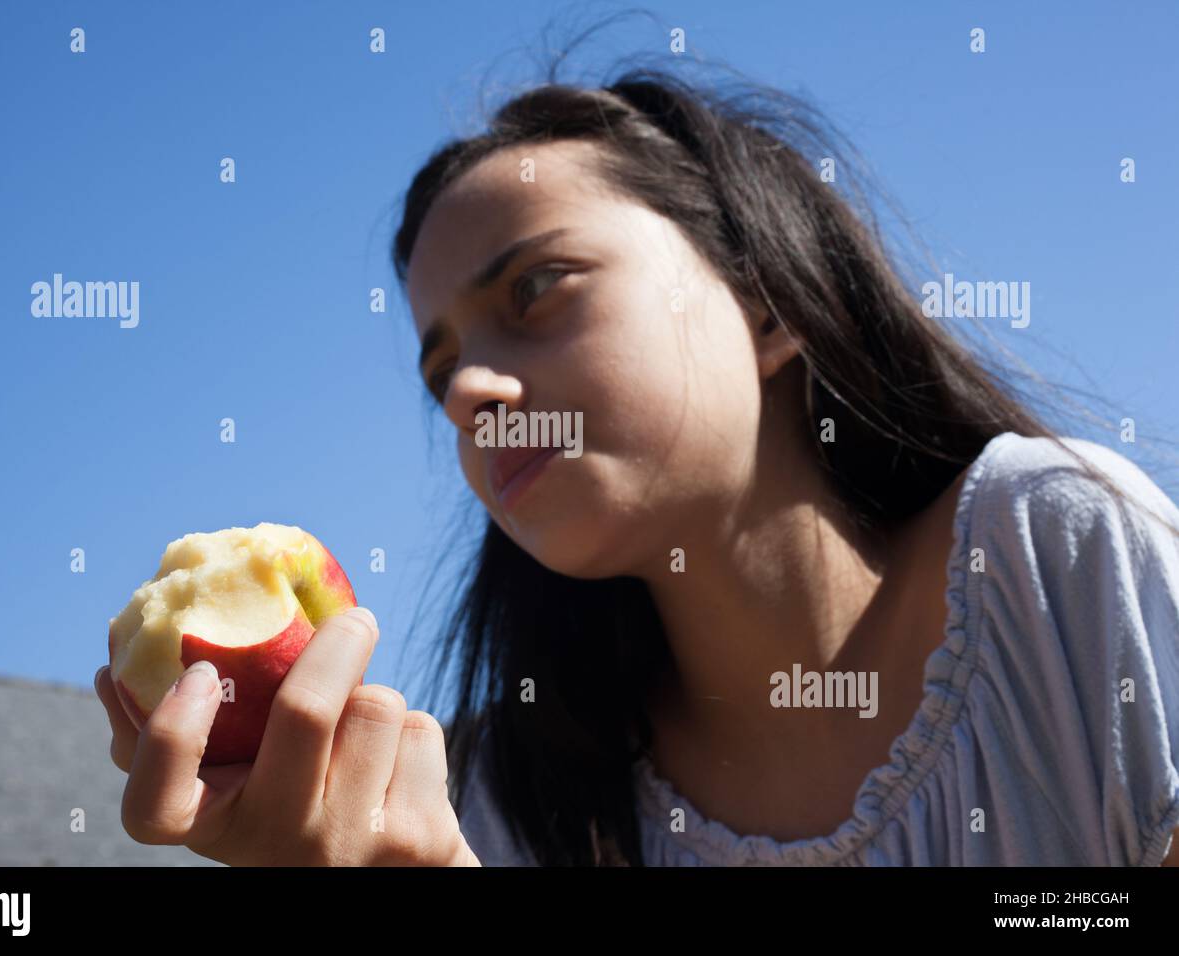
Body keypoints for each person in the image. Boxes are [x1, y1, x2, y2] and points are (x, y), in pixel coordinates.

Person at [95, 62, 1179, 868]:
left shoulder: (1052, 556)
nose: (470, 392)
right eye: (442, 373)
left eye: (534, 291)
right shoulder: (502, 807)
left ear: (765, 299)